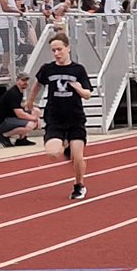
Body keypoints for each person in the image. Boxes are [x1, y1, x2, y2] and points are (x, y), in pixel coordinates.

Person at [26, 32, 92, 200]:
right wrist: (30, 103)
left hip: (75, 118)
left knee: (78, 157)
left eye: (59, 49)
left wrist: (78, 88)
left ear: (68, 48)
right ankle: (65, 145)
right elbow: (37, 86)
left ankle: (79, 185)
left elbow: (87, 94)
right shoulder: (48, 69)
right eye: (53, 50)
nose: (56, 53)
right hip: (54, 117)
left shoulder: (78, 69)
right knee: (53, 153)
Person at [0, 72, 41, 147]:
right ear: (17, 80)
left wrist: (31, 108)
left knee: (36, 111)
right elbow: (20, 114)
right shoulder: (13, 93)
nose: (26, 82)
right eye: (23, 80)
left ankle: (22, 139)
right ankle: (4, 136)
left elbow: (20, 107)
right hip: (3, 121)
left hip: (11, 117)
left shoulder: (19, 91)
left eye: (27, 80)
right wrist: (34, 119)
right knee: (30, 125)